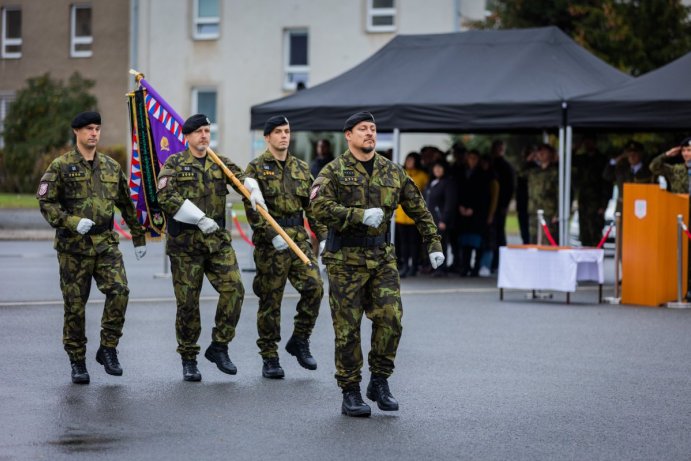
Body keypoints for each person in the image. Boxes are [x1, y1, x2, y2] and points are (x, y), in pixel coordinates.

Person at [310, 111, 443, 417]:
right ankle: (351, 390)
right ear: (349, 135)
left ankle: (379, 381)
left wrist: (433, 244)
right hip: (345, 261)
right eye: (362, 129)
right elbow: (317, 206)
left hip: (381, 258)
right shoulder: (334, 171)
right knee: (347, 329)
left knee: (391, 319)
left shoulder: (391, 171)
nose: (369, 133)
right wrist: (357, 215)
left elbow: (419, 209)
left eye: (372, 129)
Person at [37, 111, 147, 384]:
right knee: (75, 306)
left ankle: (108, 348)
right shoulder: (60, 166)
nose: (94, 133)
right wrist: (71, 222)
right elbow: (46, 202)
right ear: (76, 132)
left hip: (105, 244)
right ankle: (77, 361)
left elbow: (126, 203)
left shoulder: (110, 167)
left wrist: (138, 236)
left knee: (120, 291)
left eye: (97, 128)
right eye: (88, 128)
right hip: (73, 248)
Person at [156, 114, 265, 382]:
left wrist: (253, 189)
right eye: (199, 132)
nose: (204, 135)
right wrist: (198, 218)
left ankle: (220, 346)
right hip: (186, 244)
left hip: (216, 241)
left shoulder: (220, 162)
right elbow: (166, 196)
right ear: (188, 136)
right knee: (188, 304)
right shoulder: (175, 163)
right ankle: (189, 357)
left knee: (235, 289)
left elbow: (241, 179)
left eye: (207, 130)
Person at [244, 116, 326, 379]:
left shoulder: (302, 168)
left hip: (298, 240)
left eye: (287, 131)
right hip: (272, 244)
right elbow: (253, 209)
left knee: (315, 287)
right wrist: (270, 233)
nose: (284, 136)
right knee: (271, 300)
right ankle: (269, 356)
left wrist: (323, 237)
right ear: (267, 137)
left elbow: (312, 208)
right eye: (278, 132)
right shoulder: (255, 168)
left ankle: (300, 339)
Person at [457, 150, 492, 276]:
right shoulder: (462, 173)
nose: (472, 160)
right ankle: (465, 266)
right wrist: (461, 206)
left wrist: (473, 208)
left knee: (477, 243)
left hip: (477, 214)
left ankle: (476, 267)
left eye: (474, 158)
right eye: (470, 158)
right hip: (463, 214)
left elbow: (484, 196)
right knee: (465, 242)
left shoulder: (483, 175)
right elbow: (459, 191)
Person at [572, 135, 611, 247]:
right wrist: (576, 147)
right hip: (583, 201)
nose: (587, 145)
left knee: (595, 234)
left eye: (590, 142)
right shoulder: (582, 158)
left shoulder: (602, 159)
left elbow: (607, 183)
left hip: (596, 202)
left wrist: (604, 205)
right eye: (586, 142)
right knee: (584, 234)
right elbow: (568, 160)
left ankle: (597, 261)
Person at [395, 152, 429, 277]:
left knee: (414, 243)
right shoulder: (400, 173)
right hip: (400, 213)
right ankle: (405, 266)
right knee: (403, 243)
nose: (409, 162)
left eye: (411, 160)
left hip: (414, 214)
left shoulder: (423, 176)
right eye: (407, 159)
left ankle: (414, 265)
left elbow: (426, 194)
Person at [522, 143, 559, 244]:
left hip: (548, 213)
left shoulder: (555, 172)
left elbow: (560, 194)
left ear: (550, 154)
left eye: (544, 152)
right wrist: (530, 158)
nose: (541, 154)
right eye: (539, 151)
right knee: (533, 242)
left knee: (547, 243)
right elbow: (520, 173)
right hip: (534, 212)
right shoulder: (533, 171)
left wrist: (557, 213)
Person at [424, 161, 456, 276]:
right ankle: (433, 266)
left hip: (440, 219)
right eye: (435, 167)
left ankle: (441, 268)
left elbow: (449, 203)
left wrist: (444, 220)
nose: (437, 170)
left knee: (441, 244)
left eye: (439, 167)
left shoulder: (448, 183)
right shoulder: (431, 182)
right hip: (430, 219)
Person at [602, 140, 652, 213]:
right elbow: (607, 175)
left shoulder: (648, 171)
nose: (632, 156)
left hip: (642, 209)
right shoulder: (622, 170)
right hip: (623, 209)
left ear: (641, 154)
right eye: (629, 154)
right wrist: (618, 158)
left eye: (635, 154)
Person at [489, 140, 515, 271]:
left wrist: (505, 205)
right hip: (489, 205)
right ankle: (492, 262)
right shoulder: (490, 164)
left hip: (500, 206)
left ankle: (499, 262)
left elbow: (510, 187)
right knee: (491, 234)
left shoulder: (505, 166)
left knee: (499, 234)